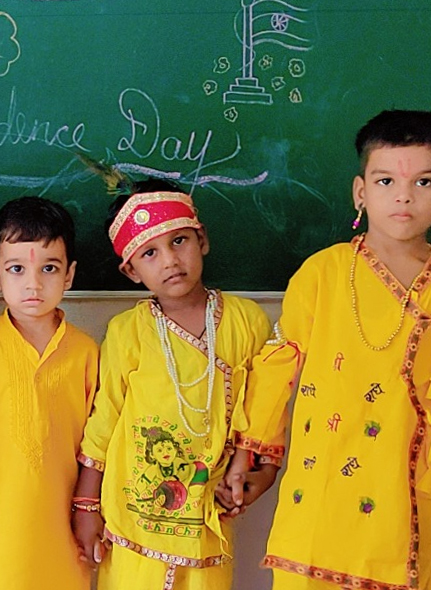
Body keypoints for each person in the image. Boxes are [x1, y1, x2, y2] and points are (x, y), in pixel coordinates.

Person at [227, 109, 431, 590]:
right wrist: (251, 456)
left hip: (399, 506)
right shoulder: (322, 274)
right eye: (386, 180)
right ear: (360, 191)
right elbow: (275, 368)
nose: (403, 196)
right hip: (315, 501)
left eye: (424, 182)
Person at [73, 179, 272, 590]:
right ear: (131, 270)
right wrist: (86, 504)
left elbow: (264, 409)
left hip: (206, 513)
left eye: (179, 241)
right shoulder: (128, 332)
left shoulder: (245, 322)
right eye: (150, 252)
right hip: (133, 518)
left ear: (202, 240)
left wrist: (262, 472)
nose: (170, 260)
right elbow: (104, 419)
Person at [0, 196, 97, 589]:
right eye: (16, 269)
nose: (33, 284)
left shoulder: (85, 353)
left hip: (61, 527)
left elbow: (100, 438)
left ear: (70, 275)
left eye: (49, 268)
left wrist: (91, 507)